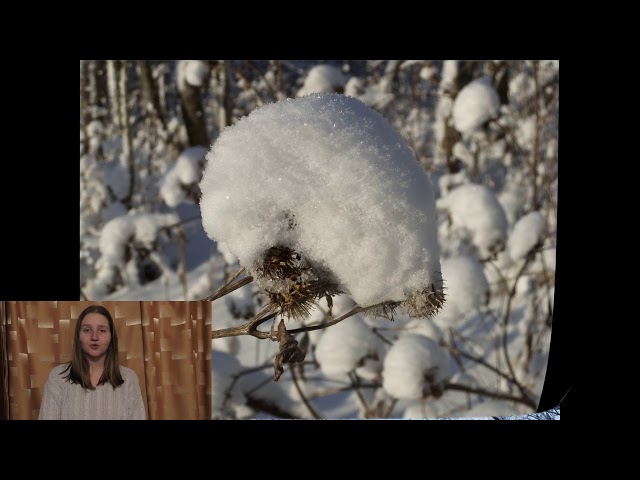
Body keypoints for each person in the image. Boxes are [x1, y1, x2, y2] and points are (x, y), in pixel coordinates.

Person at [38, 305, 146, 420]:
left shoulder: (129, 378)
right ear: (78, 336)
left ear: (111, 337)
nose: (94, 337)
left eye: (102, 330)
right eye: (87, 330)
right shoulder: (59, 377)